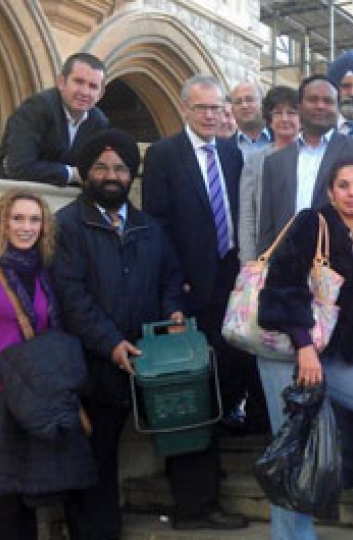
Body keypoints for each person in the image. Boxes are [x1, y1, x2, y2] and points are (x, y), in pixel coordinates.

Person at [51, 129, 246, 536]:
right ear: (87, 174)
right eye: (101, 168)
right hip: (98, 357)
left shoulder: (147, 226)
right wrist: (110, 343)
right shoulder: (67, 226)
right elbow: (72, 297)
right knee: (97, 448)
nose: (111, 175)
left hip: (153, 351)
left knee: (189, 423)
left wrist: (174, 311)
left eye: (120, 168)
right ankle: (94, 529)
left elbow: (170, 277)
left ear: (130, 176)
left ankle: (197, 507)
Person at [257, 156, 353, 539]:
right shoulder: (311, 223)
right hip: (288, 353)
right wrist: (304, 348)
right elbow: (281, 288)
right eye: (343, 185)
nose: (352, 193)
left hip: (338, 356)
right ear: (330, 191)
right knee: (296, 446)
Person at [141, 75, 253, 526]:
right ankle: (194, 503)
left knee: (226, 383)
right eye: (203, 108)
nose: (211, 115)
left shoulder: (230, 151)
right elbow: (158, 226)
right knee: (191, 392)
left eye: (217, 108)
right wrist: (176, 285)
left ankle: (211, 487)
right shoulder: (165, 155)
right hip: (188, 292)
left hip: (231, 287)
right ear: (185, 108)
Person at [0, 189, 95, 540]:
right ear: (3, 223)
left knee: (38, 489)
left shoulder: (43, 272)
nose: (26, 227)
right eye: (18, 218)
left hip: (38, 393)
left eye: (34, 220)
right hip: (4, 394)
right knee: (8, 498)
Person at [257, 75, 353, 257]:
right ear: (299, 106)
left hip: (343, 265)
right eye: (313, 99)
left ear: (337, 107)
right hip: (287, 266)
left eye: (328, 101)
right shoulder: (275, 162)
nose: (320, 106)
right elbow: (267, 227)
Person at [0, 53, 109, 186]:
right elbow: (18, 167)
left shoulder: (99, 122)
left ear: (101, 94)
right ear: (61, 82)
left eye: (93, 86)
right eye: (79, 82)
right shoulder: (35, 109)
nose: (85, 92)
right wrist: (71, 174)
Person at [239, 85, 300, 262]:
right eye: (278, 113)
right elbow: (247, 216)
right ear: (269, 119)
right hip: (268, 254)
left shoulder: (311, 156)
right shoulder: (255, 161)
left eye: (291, 112)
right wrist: (249, 264)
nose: (285, 119)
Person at [229, 82, 272, 157]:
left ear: (263, 104)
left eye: (249, 100)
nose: (244, 106)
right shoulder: (224, 149)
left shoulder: (282, 138)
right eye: (238, 102)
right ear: (232, 110)